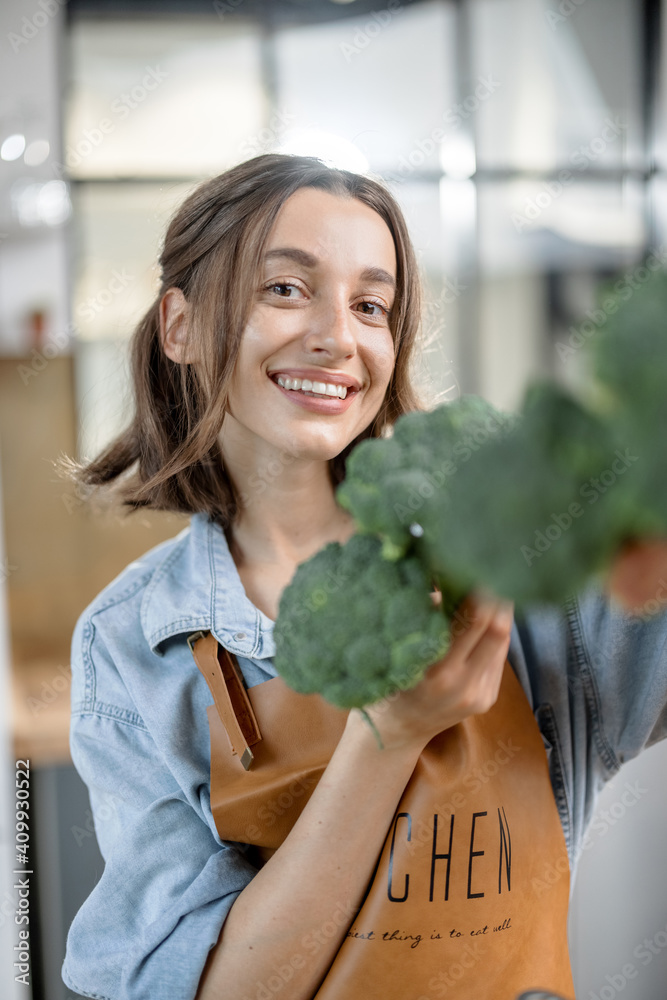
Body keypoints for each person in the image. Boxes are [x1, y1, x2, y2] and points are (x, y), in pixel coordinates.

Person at [60, 153, 667, 1000]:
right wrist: (389, 735)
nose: (337, 337)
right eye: (285, 289)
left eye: (370, 305)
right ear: (180, 326)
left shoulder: (513, 560)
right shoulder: (131, 642)